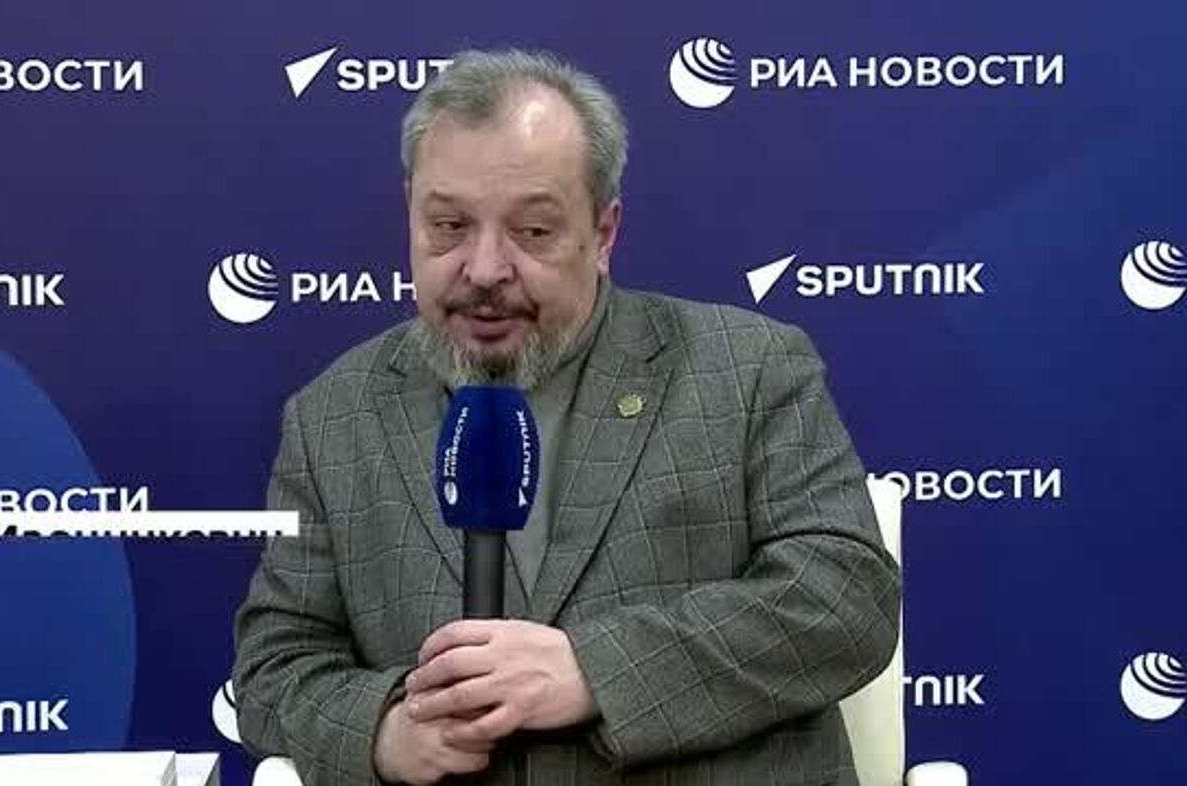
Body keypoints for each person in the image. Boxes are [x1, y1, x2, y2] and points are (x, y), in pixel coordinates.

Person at [233, 49, 900, 785]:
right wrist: (382, 729)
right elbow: (274, 665)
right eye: (448, 225)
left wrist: (595, 670)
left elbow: (845, 596)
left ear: (604, 233)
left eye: (534, 231)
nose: (485, 269)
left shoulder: (747, 368)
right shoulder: (333, 416)